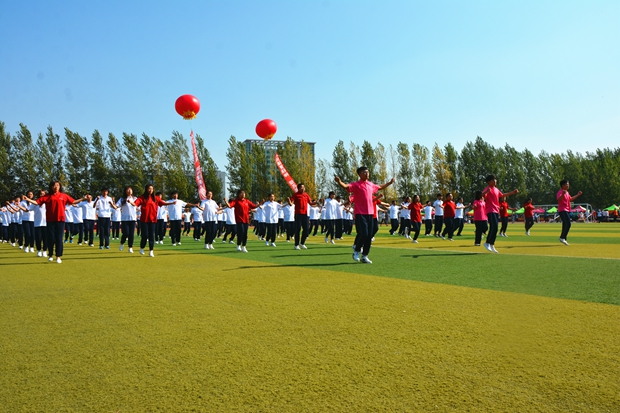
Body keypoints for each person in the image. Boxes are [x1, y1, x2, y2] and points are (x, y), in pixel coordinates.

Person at [335, 166, 394, 264]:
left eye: (367, 172)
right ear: (359, 174)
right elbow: (346, 186)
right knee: (364, 233)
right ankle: (357, 250)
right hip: (360, 213)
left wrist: (389, 183)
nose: (367, 174)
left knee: (369, 236)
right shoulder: (356, 185)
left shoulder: (371, 184)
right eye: (364, 172)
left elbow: (380, 187)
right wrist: (339, 181)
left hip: (370, 213)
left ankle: (365, 255)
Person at [23, 181, 84, 263]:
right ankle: (50, 255)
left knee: (59, 239)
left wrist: (83, 199)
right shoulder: (47, 196)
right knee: (50, 238)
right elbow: (36, 202)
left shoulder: (63, 196)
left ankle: (58, 256)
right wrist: (28, 199)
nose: (56, 187)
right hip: (50, 220)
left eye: (57, 185)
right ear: (51, 187)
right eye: (54, 185)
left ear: (59, 187)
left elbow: (73, 202)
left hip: (61, 220)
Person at [133, 184, 176, 257]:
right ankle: (142, 248)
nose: (150, 190)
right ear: (146, 189)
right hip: (144, 220)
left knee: (151, 236)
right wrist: (132, 203)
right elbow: (136, 203)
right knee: (145, 236)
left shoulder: (156, 198)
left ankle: (151, 251)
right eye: (149, 188)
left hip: (153, 220)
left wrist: (171, 203)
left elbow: (163, 203)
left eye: (152, 189)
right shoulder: (142, 197)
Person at [481, 175, 518, 253]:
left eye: (495, 179)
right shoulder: (488, 188)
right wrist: (485, 193)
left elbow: (502, 195)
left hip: (496, 210)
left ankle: (492, 244)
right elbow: (481, 195)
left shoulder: (496, 189)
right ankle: (487, 242)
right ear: (488, 182)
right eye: (492, 180)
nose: (495, 181)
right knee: (493, 226)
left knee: (496, 228)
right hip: (490, 210)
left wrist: (512, 193)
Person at [288, 183, 316, 250]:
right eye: (301, 187)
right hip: (298, 214)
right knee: (298, 230)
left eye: (304, 187)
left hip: (305, 214)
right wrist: (289, 201)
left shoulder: (306, 195)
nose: (303, 188)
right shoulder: (296, 195)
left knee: (306, 229)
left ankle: (302, 243)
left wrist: (317, 202)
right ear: (298, 188)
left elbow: (311, 203)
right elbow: (291, 203)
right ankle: (296, 244)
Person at [557, 180, 582, 245]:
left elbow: (570, 199)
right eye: (567, 184)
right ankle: (562, 237)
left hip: (567, 210)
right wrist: (562, 194)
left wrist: (577, 195)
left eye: (568, 184)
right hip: (562, 210)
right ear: (563, 185)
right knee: (568, 223)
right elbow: (559, 199)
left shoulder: (567, 192)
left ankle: (563, 238)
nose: (568, 185)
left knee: (565, 224)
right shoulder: (560, 192)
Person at [116, 186, 137, 253]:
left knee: (131, 234)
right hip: (125, 219)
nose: (129, 191)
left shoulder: (135, 198)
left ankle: (130, 247)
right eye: (127, 190)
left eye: (130, 189)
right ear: (125, 191)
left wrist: (131, 202)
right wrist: (111, 204)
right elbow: (116, 206)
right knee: (126, 233)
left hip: (132, 219)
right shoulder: (122, 199)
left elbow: (136, 205)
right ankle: (122, 243)